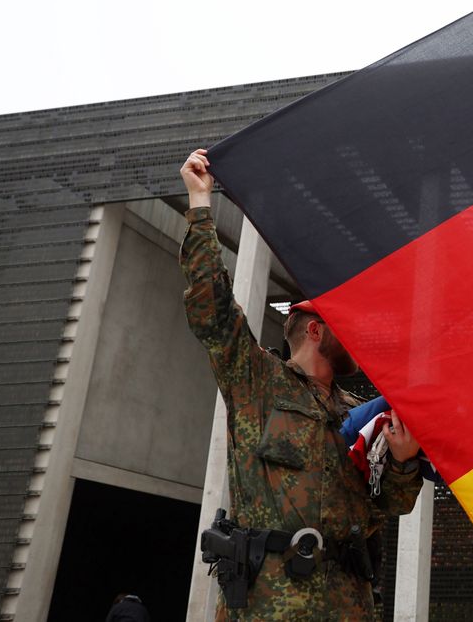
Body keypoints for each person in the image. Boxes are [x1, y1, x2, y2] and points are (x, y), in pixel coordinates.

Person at [179, 148, 423, 619]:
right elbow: (211, 309)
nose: (357, 339)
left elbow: (385, 508)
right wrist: (200, 204)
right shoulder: (258, 383)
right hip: (272, 602)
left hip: (348, 601)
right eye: (345, 328)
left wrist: (403, 464)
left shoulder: (362, 412)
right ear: (315, 330)